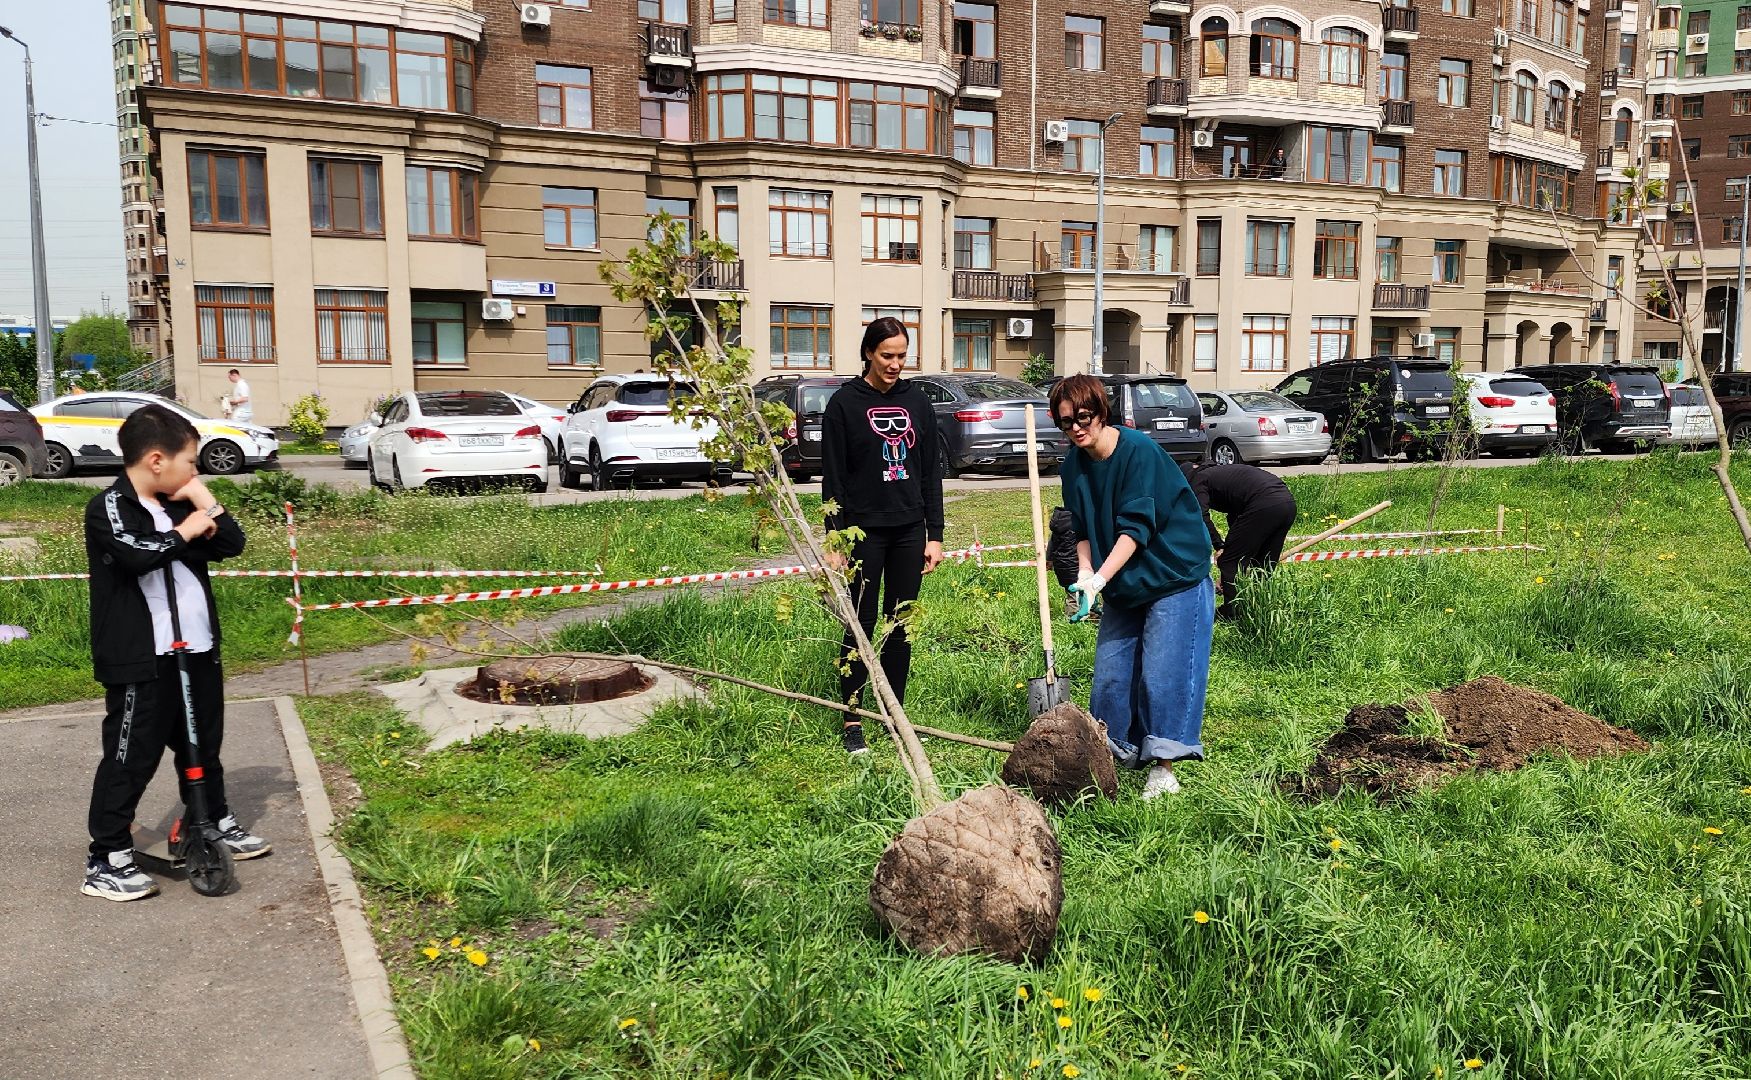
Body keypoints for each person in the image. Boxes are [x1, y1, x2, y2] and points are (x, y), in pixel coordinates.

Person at [81, 404, 269, 901]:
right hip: (142, 658)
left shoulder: (180, 505)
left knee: (202, 746)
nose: (195, 470)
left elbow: (230, 543)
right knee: (130, 758)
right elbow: (135, 555)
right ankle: (107, 858)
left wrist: (202, 499)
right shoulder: (110, 507)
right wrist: (185, 533)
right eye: (191, 462)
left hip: (197, 648)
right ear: (157, 460)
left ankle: (210, 821)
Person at [1054, 375, 1214, 799]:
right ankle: (1112, 755)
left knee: (1163, 672)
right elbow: (1080, 526)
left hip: (1172, 572)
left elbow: (1136, 529)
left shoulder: (1138, 452)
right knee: (1111, 675)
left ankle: (1164, 768)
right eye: (1066, 422)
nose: (1075, 428)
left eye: (1083, 417)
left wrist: (1100, 579)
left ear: (1101, 412)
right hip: (1124, 578)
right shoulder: (1073, 465)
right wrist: (1086, 575)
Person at [820, 317, 945, 755]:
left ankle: (895, 715)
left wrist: (935, 534)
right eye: (887, 355)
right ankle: (853, 717)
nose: (895, 364)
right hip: (863, 532)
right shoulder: (844, 404)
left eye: (901, 356)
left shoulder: (918, 402)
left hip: (909, 531)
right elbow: (833, 479)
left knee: (900, 623)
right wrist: (835, 540)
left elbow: (930, 474)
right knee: (860, 622)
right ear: (869, 353)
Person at [1179, 460, 1298, 619]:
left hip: (1264, 503)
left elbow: (1200, 515)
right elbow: (1238, 522)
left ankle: (1231, 613)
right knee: (1262, 563)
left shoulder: (1197, 479)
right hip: (1287, 503)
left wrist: (1220, 546)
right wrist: (1229, 564)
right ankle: (1259, 608)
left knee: (1229, 562)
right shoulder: (1221, 474)